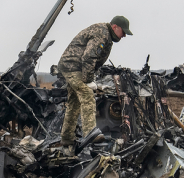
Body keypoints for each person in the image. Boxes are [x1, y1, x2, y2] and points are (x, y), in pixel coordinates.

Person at [56, 16, 132, 153]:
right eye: (123, 32)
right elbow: (88, 57)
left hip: (74, 66)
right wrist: (88, 80)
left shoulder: (106, 35)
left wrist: (92, 80)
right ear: (115, 27)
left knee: (74, 103)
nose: (124, 36)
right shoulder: (102, 34)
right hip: (72, 66)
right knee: (86, 94)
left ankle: (66, 139)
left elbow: (94, 60)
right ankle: (90, 133)